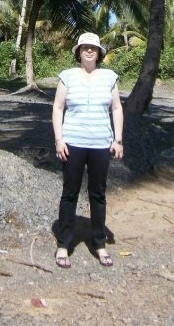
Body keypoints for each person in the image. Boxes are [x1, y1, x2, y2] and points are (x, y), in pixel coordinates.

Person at [52, 31, 124, 269]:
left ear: (99, 52)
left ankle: (99, 243)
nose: (89, 51)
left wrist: (118, 140)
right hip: (72, 143)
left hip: (101, 144)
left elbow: (116, 109)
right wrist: (59, 140)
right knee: (69, 193)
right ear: (79, 52)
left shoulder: (109, 77)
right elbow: (58, 107)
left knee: (98, 194)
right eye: (85, 48)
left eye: (93, 47)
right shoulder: (67, 76)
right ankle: (64, 244)